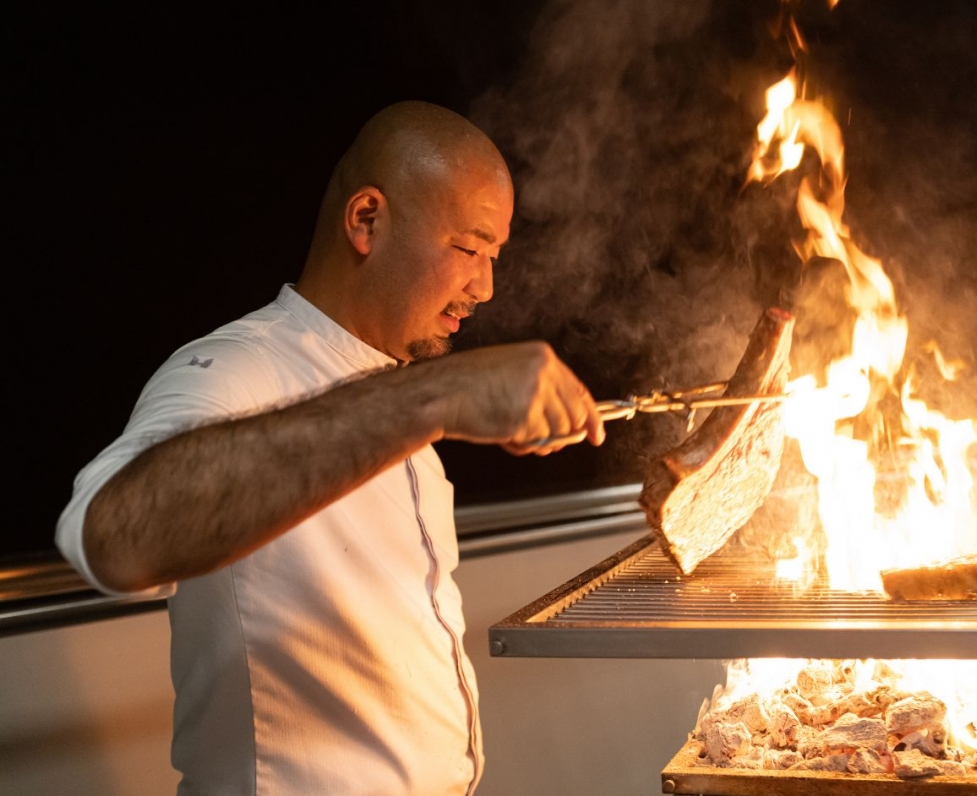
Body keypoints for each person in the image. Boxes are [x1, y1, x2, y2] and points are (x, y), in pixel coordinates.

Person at [56, 101, 605, 795]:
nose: (486, 287)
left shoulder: (400, 411)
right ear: (366, 220)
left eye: (494, 257)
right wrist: (436, 396)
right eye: (469, 249)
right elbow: (116, 538)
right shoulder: (235, 367)